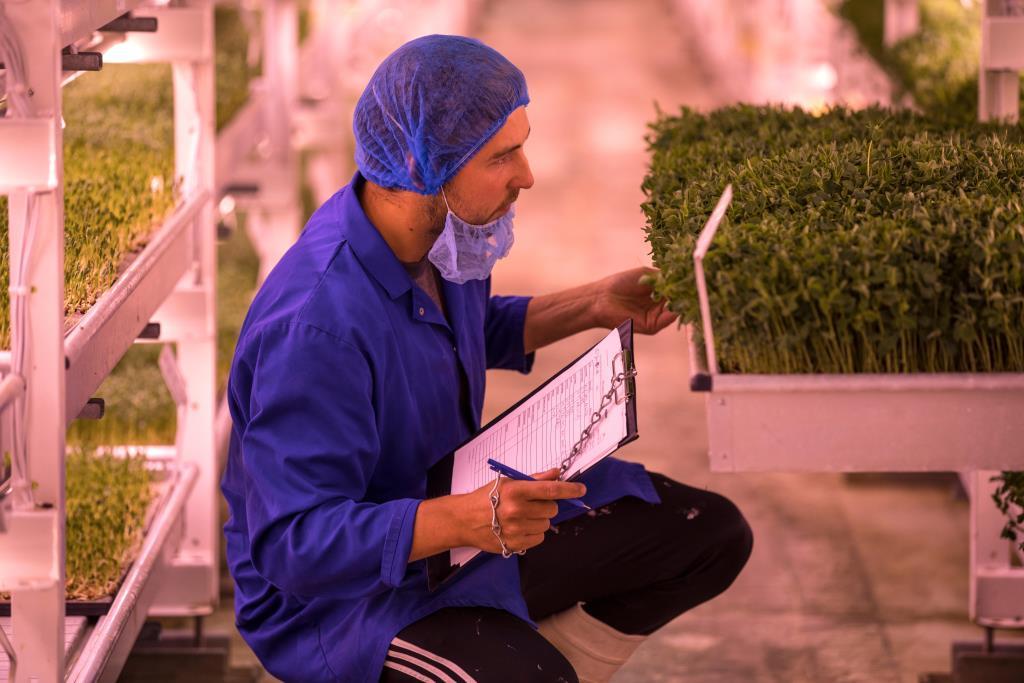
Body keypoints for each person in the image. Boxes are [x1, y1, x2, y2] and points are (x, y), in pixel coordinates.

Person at [221, 34, 753, 683]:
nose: (527, 175)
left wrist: (592, 304)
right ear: (422, 166)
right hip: (344, 603)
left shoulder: (444, 239)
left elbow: (463, 331)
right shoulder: (315, 327)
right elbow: (293, 545)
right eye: (503, 156)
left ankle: (503, 651)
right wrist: (468, 516)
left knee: (710, 534)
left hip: (457, 518)